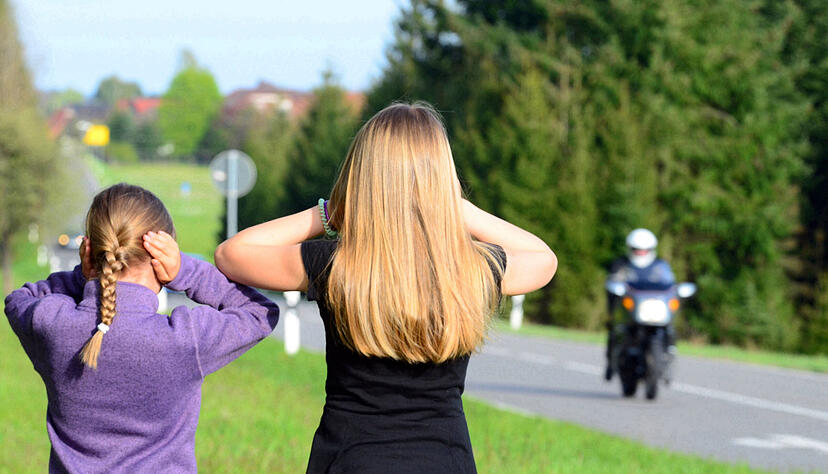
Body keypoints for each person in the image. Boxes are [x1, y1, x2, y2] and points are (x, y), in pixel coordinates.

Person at [215, 102, 557, 473]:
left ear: (362, 177)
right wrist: (451, 206)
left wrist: (331, 211)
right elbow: (543, 258)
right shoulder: (469, 270)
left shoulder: (336, 266)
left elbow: (232, 253)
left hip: (349, 461)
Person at [4, 183, 279, 472]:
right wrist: (185, 271)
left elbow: (18, 300)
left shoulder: (51, 325)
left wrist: (84, 278)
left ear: (90, 252)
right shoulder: (183, 339)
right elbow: (260, 311)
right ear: (160, 257)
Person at [604, 228, 675, 381]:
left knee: (669, 328)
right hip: (630, 311)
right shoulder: (622, 264)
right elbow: (612, 283)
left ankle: (669, 354)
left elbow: (669, 284)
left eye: (644, 250)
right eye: (637, 250)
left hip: (653, 310)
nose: (641, 253)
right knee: (615, 330)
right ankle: (611, 363)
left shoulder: (659, 266)